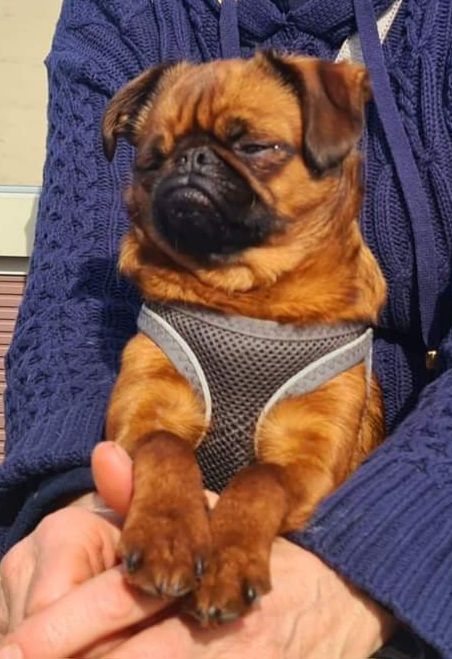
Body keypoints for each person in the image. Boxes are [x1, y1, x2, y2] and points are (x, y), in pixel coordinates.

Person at [0, 0, 451, 656]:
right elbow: (72, 300)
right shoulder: (122, 13)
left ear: (335, 135)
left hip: (393, 542)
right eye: (157, 157)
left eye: (252, 148)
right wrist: (67, 497)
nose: (192, 169)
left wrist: (364, 575)